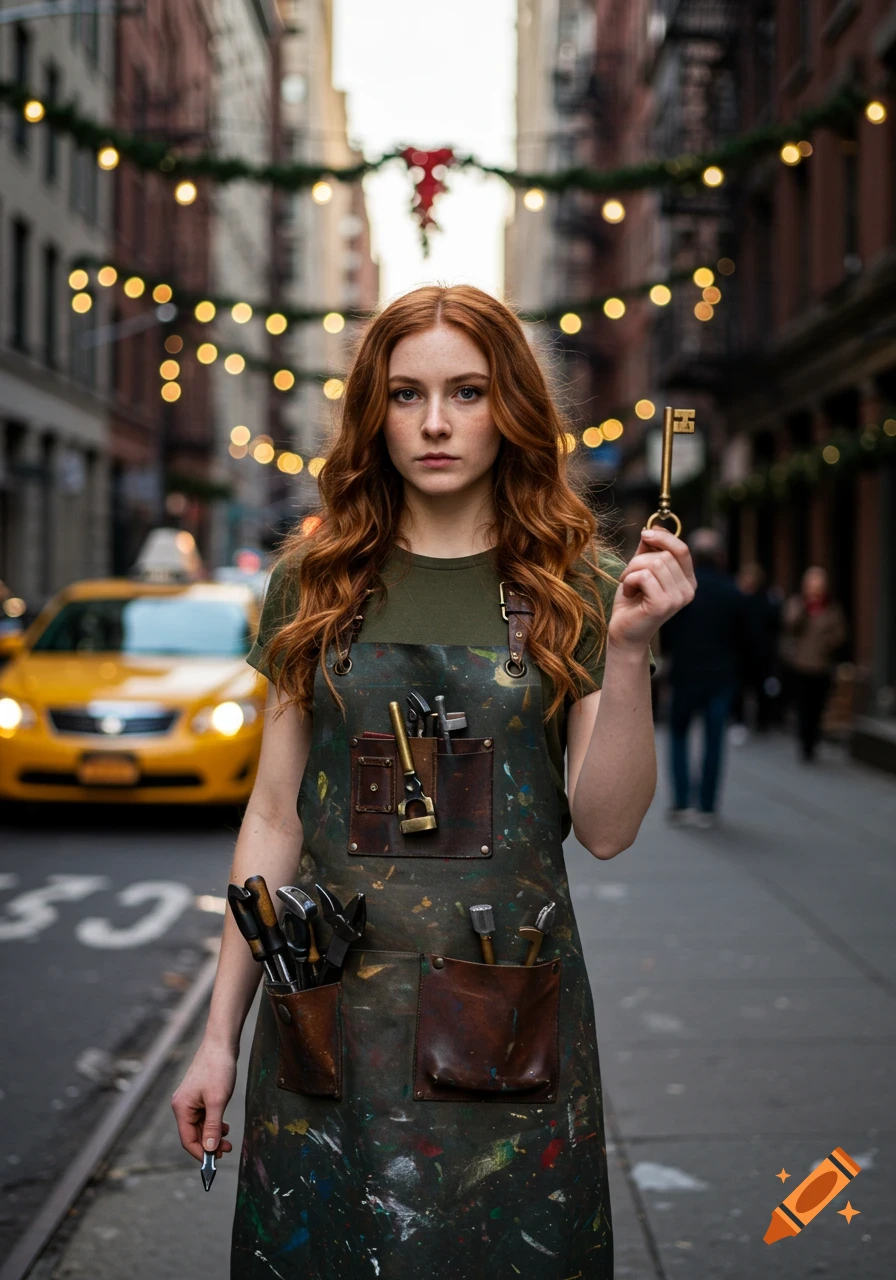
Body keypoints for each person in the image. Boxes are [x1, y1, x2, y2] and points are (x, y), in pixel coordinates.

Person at [171, 284, 696, 1279]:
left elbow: (609, 826)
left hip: (505, 1028)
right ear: (374, 410)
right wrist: (213, 1039)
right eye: (407, 394)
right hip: (326, 1023)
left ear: (511, 407)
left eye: (467, 390)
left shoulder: (575, 583)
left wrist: (625, 655)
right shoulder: (312, 581)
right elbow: (275, 817)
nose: (437, 422)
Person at [660, 527, 746, 827]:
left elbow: (667, 634)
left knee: (680, 736)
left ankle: (682, 801)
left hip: (685, 673)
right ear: (720, 557)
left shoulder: (683, 591)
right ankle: (707, 806)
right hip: (721, 676)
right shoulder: (733, 591)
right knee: (713, 740)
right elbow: (743, 638)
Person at [780, 566, 846, 761]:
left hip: (822, 665)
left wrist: (827, 644)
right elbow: (789, 624)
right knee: (803, 706)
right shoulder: (798, 604)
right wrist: (805, 608)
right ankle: (805, 743)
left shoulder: (832, 607)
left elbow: (840, 633)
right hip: (800, 664)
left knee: (818, 706)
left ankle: (813, 739)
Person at [730, 562, 783, 738]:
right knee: (739, 689)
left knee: (761, 688)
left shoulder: (766, 600)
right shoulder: (736, 599)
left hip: (760, 652)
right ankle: (739, 720)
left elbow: (774, 625)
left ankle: (762, 721)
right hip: (739, 652)